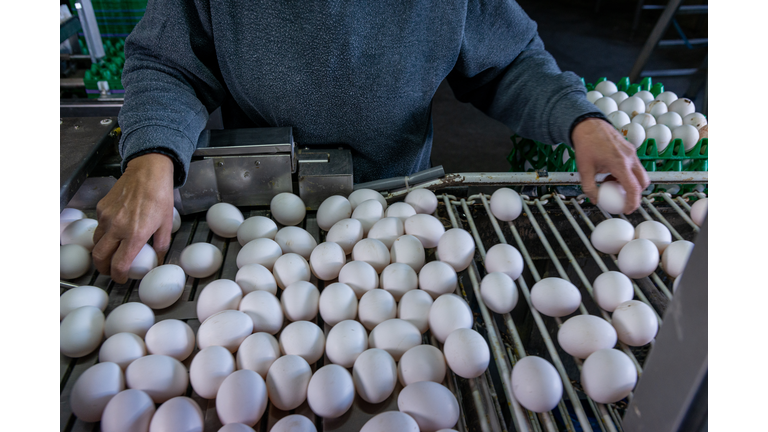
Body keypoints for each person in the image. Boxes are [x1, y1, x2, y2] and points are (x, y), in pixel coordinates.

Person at [92, 0, 649, 283]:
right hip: (259, 205)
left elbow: (506, 62)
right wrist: (152, 156)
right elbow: (168, 63)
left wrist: (580, 120)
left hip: (397, 203)